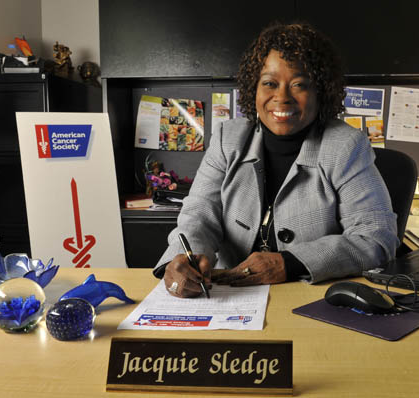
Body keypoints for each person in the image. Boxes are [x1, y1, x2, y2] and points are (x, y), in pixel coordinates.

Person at [154, 23, 398, 298]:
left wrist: (290, 263)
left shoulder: (345, 146)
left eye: (299, 84)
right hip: (228, 296)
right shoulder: (228, 138)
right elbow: (199, 214)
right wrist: (185, 259)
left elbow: (376, 238)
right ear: (253, 89)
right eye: (270, 83)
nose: (282, 97)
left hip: (311, 298)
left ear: (321, 92)